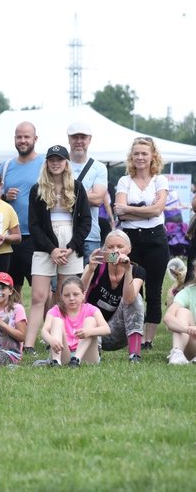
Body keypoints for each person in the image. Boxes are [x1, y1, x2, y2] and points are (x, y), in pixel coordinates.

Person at [25, 145, 92, 351]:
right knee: (39, 296)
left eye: (60, 160)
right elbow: (34, 225)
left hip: (71, 244)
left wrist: (71, 247)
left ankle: (55, 337)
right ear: (46, 162)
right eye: (52, 160)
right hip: (46, 244)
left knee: (64, 294)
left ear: (66, 163)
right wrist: (52, 249)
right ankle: (28, 344)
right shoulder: (37, 189)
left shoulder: (77, 187)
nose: (56, 163)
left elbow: (86, 222)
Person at [113, 136, 170, 349]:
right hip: (131, 241)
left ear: (152, 156)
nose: (140, 157)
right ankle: (132, 335)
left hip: (156, 239)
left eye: (144, 153)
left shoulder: (160, 180)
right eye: (136, 153)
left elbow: (158, 210)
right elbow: (120, 213)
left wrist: (130, 209)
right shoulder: (124, 181)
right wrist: (145, 212)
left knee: (154, 291)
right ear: (131, 156)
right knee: (132, 290)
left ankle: (148, 340)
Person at [81, 230, 145, 363]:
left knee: (136, 297)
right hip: (90, 331)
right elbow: (77, 295)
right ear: (104, 250)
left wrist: (127, 271)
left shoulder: (137, 271)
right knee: (89, 315)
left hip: (118, 332)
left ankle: (135, 356)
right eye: (110, 247)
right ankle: (94, 354)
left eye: (120, 247)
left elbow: (129, 300)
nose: (115, 251)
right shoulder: (97, 267)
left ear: (129, 249)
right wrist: (90, 269)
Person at [0, 122, 45, 297]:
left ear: (35, 138)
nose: (23, 140)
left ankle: (47, 324)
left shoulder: (46, 163)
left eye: (27, 136)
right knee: (9, 288)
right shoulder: (5, 166)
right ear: (14, 139)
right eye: (19, 137)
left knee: (41, 291)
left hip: (35, 236)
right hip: (9, 237)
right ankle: (13, 323)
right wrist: (4, 197)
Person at [34, 276, 110, 367]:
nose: (71, 298)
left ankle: (76, 360)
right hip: (63, 352)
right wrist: (51, 341)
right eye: (67, 295)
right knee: (56, 321)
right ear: (61, 296)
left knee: (90, 320)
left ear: (83, 294)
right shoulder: (55, 310)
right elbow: (44, 331)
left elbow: (107, 329)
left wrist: (89, 332)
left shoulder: (91, 309)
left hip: (86, 355)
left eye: (75, 294)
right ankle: (56, 362)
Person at [67, 122, 110, 257]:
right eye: (75, 137)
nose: (79, 141)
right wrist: (88, 195)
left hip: (90, 235)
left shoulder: (99, 167)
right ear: (68, 139)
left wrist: (66, 192)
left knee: (91, 276)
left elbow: (98, 199)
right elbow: (51, 196)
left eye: (83, 137)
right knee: (64, 278)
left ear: (89, 139)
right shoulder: (58, 163)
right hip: (63, 234)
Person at [164, 275, 196, 365]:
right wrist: (188, 329)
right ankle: (177, 354)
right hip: (193, 344)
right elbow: (168, 318)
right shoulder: (187, 292)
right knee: (182, 312)